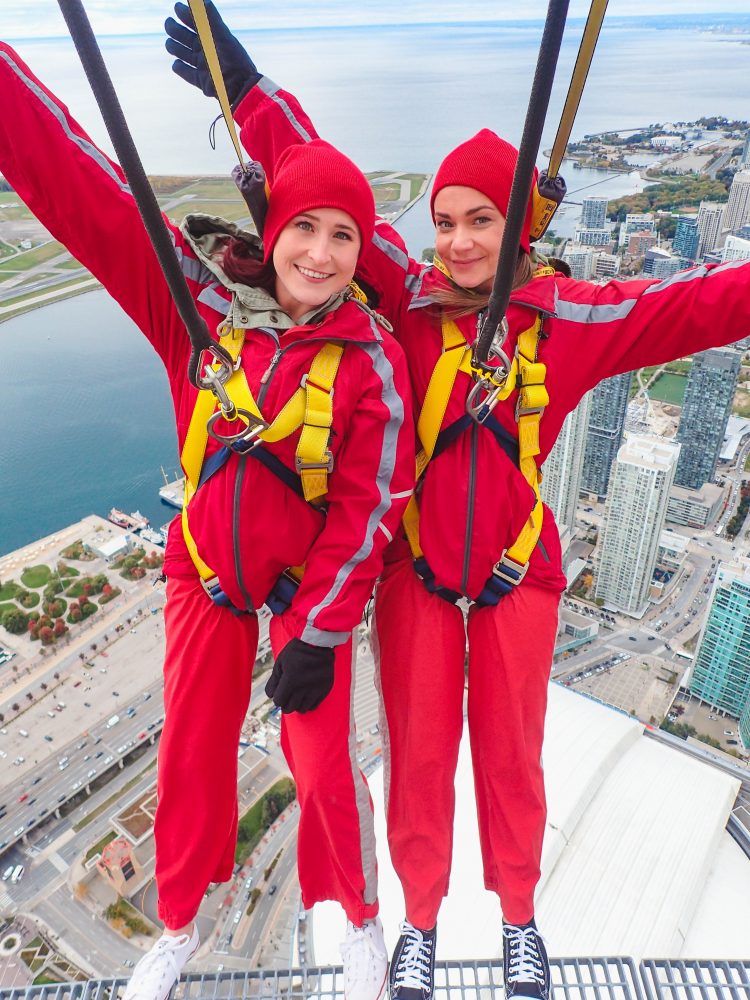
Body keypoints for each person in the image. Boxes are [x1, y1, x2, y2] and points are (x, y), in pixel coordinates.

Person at [164, 6, 750, 1000]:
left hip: (518, 567)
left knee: (512, 757)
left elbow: (688, 307)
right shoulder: (402, 296)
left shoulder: (561, 323)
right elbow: (322, 188)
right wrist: (251, 95)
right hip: (416, 576)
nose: (460, 241)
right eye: (444, 220)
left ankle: (521, 917)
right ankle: (422, 923)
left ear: (517, 227)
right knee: (421, 759)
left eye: (483, 220)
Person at [0, 39, 415, 1000]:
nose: (319, 252)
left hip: (300, 597)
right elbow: (81, 189)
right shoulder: (199, 315)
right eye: (303, 227)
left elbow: (368, 511)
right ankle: (177, 928)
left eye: (344, 236)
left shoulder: (370, 365)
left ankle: (358, 921)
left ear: (363, 256)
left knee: (321, 759)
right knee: (190, 747)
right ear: (270, 233)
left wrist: (316, 634)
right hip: (203, 577)